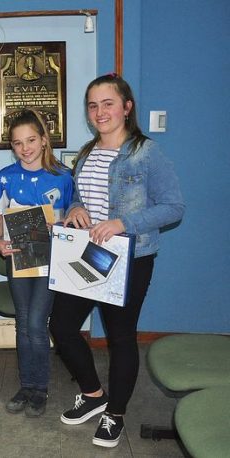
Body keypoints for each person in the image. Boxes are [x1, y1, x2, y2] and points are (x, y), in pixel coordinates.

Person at [49, 74, 184, 448]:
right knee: (61, 327)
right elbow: (81, 194)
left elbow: (173, 207)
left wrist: (124, 222)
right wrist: (76, 208)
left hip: (130, 258)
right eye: (93, 105)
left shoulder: (147, 153)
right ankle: (94, 395)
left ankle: (115, 414)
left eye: (108, 103)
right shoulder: (88, 151)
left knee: (120, 337)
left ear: (126, 107)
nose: (100, 111)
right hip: (86, 254)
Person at [0, 109, 74, 417]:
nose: (25, 148)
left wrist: (62, 225)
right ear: (11, 146)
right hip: (19, 259)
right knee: (23, 322)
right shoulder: (5, 177)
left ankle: (39, 388)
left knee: (38, 324)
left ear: (43, 140)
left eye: (30, 140)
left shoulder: (63, 177)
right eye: (17, 143)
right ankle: (26, 385)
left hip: (50, 260)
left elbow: (75, 218)